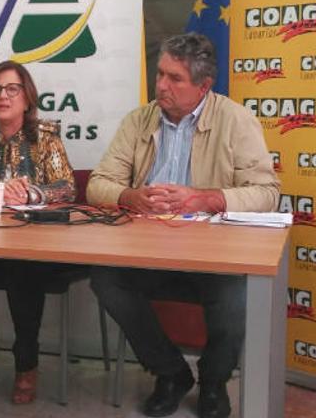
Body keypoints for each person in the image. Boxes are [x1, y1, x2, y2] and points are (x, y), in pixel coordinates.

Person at [87, 33, 280, 418]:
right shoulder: (138, 120)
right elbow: (98, 184)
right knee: (106, 279)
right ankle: (172, 373)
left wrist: (206, 198)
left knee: (234, 296)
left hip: (212, 258)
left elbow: (266, 192)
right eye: (160, 74)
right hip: (148, 254)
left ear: (203, 86)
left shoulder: (235, 120)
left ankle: (213, 382)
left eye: (175, 78)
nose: (161, 85)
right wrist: (130, 197)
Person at [0, 60, 76, 404]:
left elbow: (67, 187)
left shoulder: (45, 137)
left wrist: (32, 193)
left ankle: (26, 365)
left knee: (21, 270)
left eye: (12, 89)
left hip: (35, 246)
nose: (3, 96)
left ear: (27, 98)